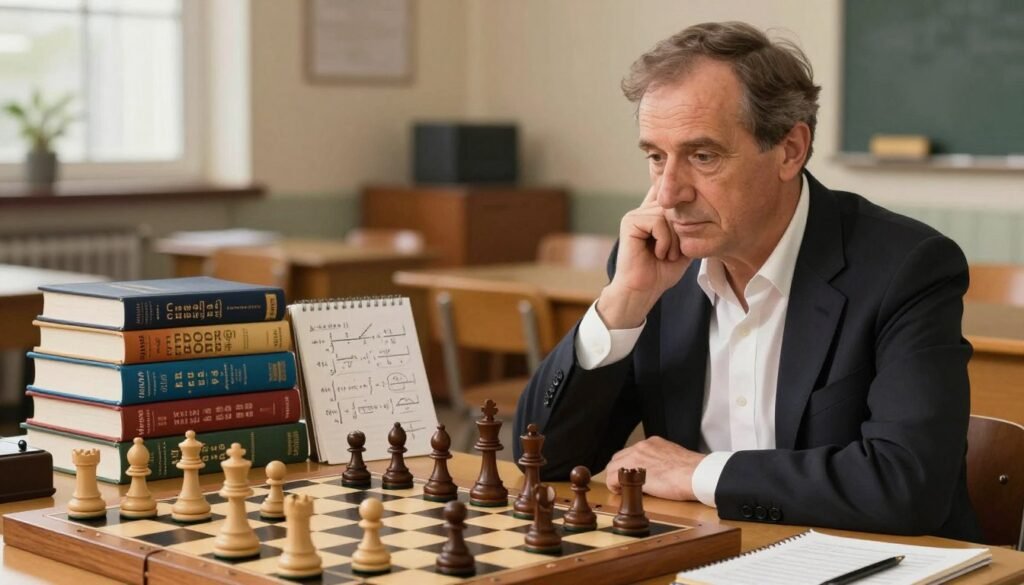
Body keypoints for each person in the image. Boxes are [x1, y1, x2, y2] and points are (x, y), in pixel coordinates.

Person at [514, 21, 981, 541]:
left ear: (790, 150)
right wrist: (622, 304)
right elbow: (543, 459)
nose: (668, 193)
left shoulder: (907, 267)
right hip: (710, 555)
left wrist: (698, 473)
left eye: (703, 156)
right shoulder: (654, 269)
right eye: (655, 156)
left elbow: (907, 486)